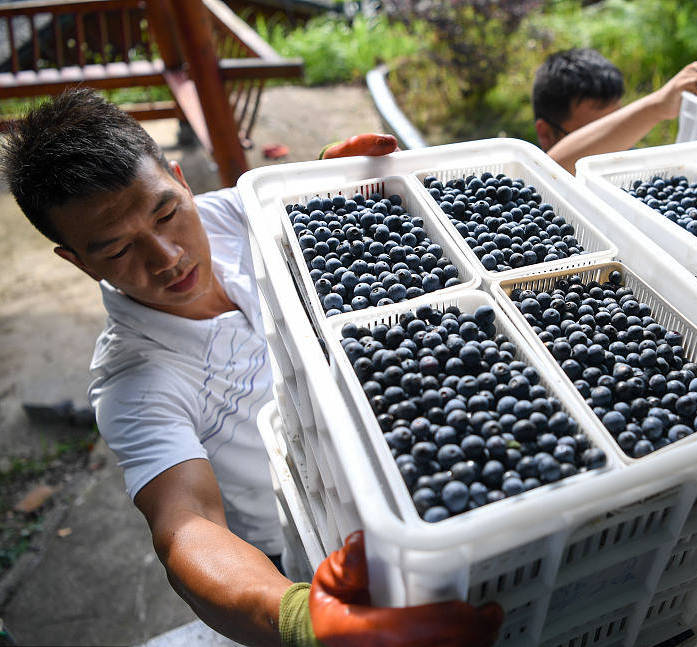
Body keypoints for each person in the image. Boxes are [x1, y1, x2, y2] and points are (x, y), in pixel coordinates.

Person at [0, 89, 502, 647]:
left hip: (404, 443)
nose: (167, 257)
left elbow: (310, 212)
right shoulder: (135, 382)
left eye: (167, 212)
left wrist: (320, 183)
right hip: (317, 542)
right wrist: (290, 615)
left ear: (180, 179)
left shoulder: (245, 214)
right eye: (117, 250)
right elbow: (185, 525)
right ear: (75, 260)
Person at [531, 48, 697, 173]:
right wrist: (657, 105)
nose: (617, 147)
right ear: (546, 133)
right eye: (598, 133)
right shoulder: (534, 184)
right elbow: (551, 168)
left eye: (619, 122)